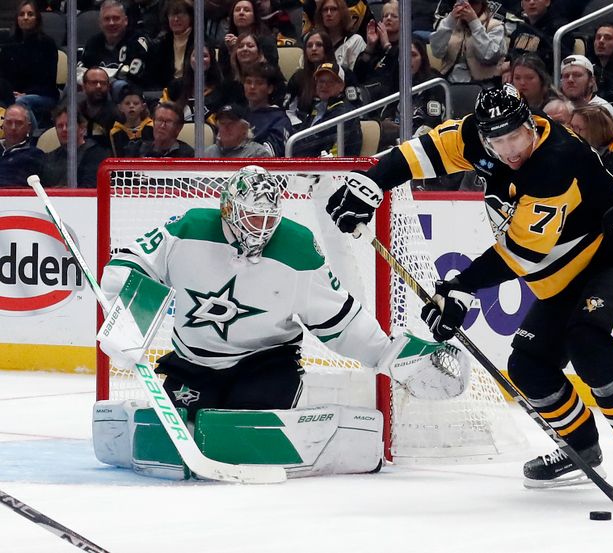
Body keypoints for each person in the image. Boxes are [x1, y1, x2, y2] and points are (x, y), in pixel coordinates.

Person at [325, 84, 613, 493]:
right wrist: (372, 185)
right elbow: (420, 153)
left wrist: (461, 287)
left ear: (531, 125)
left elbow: (523, 252)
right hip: (565, 272)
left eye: (516, 137)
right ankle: (581, 449)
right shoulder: (476, 136)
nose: (509, 149)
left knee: (590, 345)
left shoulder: (555, 161)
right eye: (498, 140)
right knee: (529, 367)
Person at [98, 165, 468, 475]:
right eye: (252, 216)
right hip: (194, 364)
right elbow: (133, 262)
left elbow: (338, 318)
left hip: (264, 365)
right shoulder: (189, 229)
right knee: (178, 428)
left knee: (238, 422)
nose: (261, 228)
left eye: (269, 218)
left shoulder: (297, 248)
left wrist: (387, 353)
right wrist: (124, 310)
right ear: (228, 209)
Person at [76, 0, 152, 99]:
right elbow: (82, 70)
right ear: (100, 23)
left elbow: (133, 77)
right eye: (107, 19)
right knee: (72, 86)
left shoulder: (137, 41)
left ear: (125, 21)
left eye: (116, 18)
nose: (111, 23)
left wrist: (100, 81)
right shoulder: (93, 42)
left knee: (118, 86)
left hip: (131, 93)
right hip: (96, 89)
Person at [0, 0, 59, 128]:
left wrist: (26, 94)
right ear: (17, 18)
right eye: (22, 14)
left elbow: (49, 79)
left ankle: (29, 138)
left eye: (30, 14)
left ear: (37, 18)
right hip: (12, 95)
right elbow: (2, 76)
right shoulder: (8, 44)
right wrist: (10, 93)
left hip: (43, 95)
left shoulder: (47, 43)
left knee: (20, 103)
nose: (25, 18)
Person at [161, 42, 246, 127]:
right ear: (189, 59)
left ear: (211, 60)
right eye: (195, 56)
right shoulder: (176, 86)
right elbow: (161, 113)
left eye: (204, 56)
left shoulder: (225, 89)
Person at [292, 61, 362, 156]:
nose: (324, 86)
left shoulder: (345, 113)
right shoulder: (317, 107)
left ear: (341, 86)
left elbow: (312, 144)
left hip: (336, 167)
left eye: (330, 82)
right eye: (321, 81)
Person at [429, 0, 506, 85]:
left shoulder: (496, 26)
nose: (467, 8)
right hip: (448, 81)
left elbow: (488, 56)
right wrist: (450, 22)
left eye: (472, 3)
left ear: (482, 5)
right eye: (462, 3)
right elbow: (437, 52)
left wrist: (474, 23)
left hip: (482, 84)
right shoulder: (448, 23)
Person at [41, 105, 109, 188]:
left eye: (69, 125)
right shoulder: (50, 157)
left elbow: (89, 188)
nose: (64, 129)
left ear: (82, 129)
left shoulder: (96, 154)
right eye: (60, 126)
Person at [570, 105, 613, 180]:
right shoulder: (575, 149)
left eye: (578, 128)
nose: (572, 133)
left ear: (596, 131)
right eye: (571, 127)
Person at [352, 0, 400, 103]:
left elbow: (398, 73)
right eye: (385, 16)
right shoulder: (376, 47)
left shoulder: (409, 45)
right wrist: (370, 47)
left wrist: (387, 46)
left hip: (391, 100)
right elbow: (358, 75)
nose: (388, 18)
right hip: (366, 97)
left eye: (394, 16)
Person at [285, 29, 336, 123]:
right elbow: (288, 111)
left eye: (319, 45)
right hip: (302, 130)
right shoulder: (298, 77)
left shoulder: (342, 74)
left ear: (327, 48)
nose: (313, 48)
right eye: (309, 46)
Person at [243, 64, 293, 156]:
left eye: (259, 83)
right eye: (248, 82)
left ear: (270, 89)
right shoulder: (238, 114)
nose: (252, 87)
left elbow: (269, 154)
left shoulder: (280, 119)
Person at [559, 54, 613, 121]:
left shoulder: (601, 111)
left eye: (577, 75)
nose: (570, 80)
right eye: (566, 76)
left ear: (591, 80)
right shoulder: (560, 109)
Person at [123, 101, 195, 158]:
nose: (162, 125)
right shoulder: (137, 149)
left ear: (179, 127)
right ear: (153, 122)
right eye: (159, 120)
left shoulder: (188, 155)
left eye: (168, 121)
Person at [313, 0, 367, 71]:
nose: (328, 13)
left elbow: (357, 76)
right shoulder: (313, 41)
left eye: (334, 9)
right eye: (325, 10)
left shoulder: (355, 41)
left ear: (342, 13)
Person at [205, 103, 272, 157]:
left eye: (231, 124)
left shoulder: (258, 154)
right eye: (222, 123)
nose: (226, 127)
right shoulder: (208, 153)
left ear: (245, 128)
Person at [0, 103, 43, 187]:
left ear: (29, 127)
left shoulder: (35, 155)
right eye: (9, 122)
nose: (13, 128)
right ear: (3, 125)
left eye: (19, 123)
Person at [78, 67, 120, 150]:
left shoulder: (116, 115)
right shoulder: (75, 112)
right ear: (84, 86)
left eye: (103, 83)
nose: (98, 86)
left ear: (108, 87)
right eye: (93, 82)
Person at [110, 86, 154, 157]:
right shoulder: (115, 132)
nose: (131, 106)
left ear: (143, 107)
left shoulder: (151, 127)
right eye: (127, 103)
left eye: (136, 103)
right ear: (120, 107)